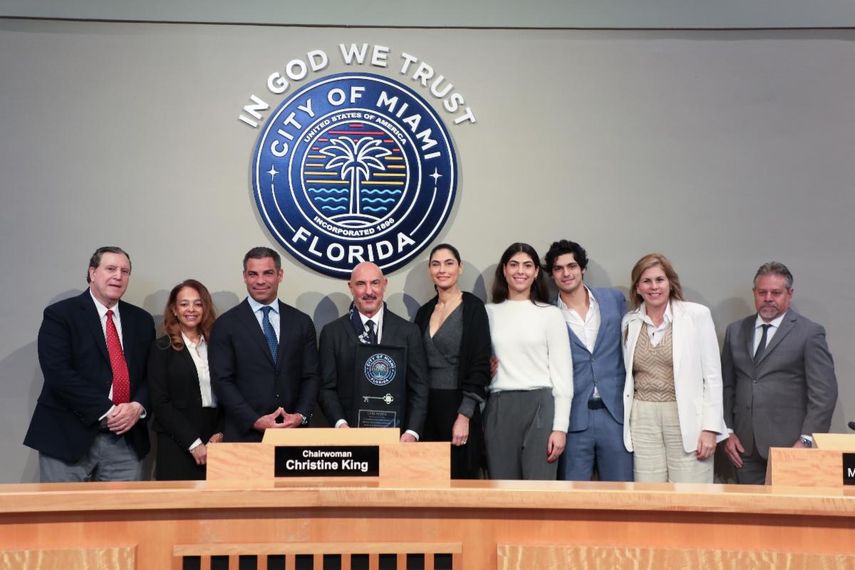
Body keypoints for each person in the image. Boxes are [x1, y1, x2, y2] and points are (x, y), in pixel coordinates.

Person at [24, 246, 155, 482]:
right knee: (63, 517)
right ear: (92, 272)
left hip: (126, 442)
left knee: (122, 518)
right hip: (68, 439)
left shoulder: (142, 321)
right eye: (111, 268)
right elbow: (58, 374)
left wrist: (137, 406)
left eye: (125, 271)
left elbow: (151, 375)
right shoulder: (61, 315)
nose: (118, 276)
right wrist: (108, 410)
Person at [721, 261, 837, 484]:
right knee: (749, 515)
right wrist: (728, 431)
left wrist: (806, 440)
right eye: (762, 292)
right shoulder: (736, 331)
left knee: (789, 516)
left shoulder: (809, 333)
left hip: (791, 447)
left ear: (789, 294)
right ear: (754, 293)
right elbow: (727, 387)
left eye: (776, 293)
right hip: (744, 448)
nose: (768, 298)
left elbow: (824, 394)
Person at [621, 253, 727, 483]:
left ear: (670, 283)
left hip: (686, 417)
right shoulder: (629, 321)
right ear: (637, 287)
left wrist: (711, 428)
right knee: (649, 495)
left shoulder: (696, 315)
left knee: (691, 494)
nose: (654, 287)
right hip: (642, 417)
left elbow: (713, 377)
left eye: (659, 280)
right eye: (646, 281)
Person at [209, 247, 320, 442]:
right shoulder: (225, 325)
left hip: (293, 434)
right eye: (253, 274)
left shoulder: (301, 322)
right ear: (244, 276)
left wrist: (300, 416)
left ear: (280, 274)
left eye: (268, 273)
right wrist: (254, 420)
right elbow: (222, 381)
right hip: (244, 435)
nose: (260, 281)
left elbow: (311, 376)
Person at [544, 240, 633, 482]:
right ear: (552, 274)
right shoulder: (548, 314)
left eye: (572, 266)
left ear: (583, 268)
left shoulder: (614, 300)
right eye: (558, 268)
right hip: (573, 419)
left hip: (615, 413)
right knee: (572, 500)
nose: (566, 273)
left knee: (621, 495)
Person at [485, 242, 573, 480]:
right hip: (499, 407)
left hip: (541, 409)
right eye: (513, 265)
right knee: (501, 493)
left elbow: (563, 376)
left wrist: (560, 428)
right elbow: (477, 366)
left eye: (527, 265)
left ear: (536, 272)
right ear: (504, 270)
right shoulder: (488, 313)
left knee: (540, 493)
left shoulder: (551, 314)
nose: (520, 271)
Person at [318, 262, 429, 441]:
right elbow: (326, 388)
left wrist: (412, 432)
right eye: (361, 284)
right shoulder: (332, 333)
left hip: (398, 438)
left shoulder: (408, 331)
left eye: (375, 283)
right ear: (350, 287)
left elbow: (419, 387)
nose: (369, 291)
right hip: (349, 438)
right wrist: (340, 424)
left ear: (384, 284)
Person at [413, 244, 491, 479]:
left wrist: (464, 416)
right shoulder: (424, 312)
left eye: (449, 263)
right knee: (429, 483)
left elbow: (479, 363)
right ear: (429, 270)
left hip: (459, 408)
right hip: (428, 411)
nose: (442, 270)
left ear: (460, 267)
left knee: (462, 482)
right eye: (436, 264)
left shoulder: (473, 308)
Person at [148, 280, 223, 480]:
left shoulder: (219, 346)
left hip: (216, 442)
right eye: (184, 304)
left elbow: (230, 392)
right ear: (174, 309)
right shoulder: (161, 348)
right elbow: (160, 403)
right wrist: (193, 443)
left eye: (198, 304)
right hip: (178, 443)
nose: (191, 309)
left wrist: (221, 432)